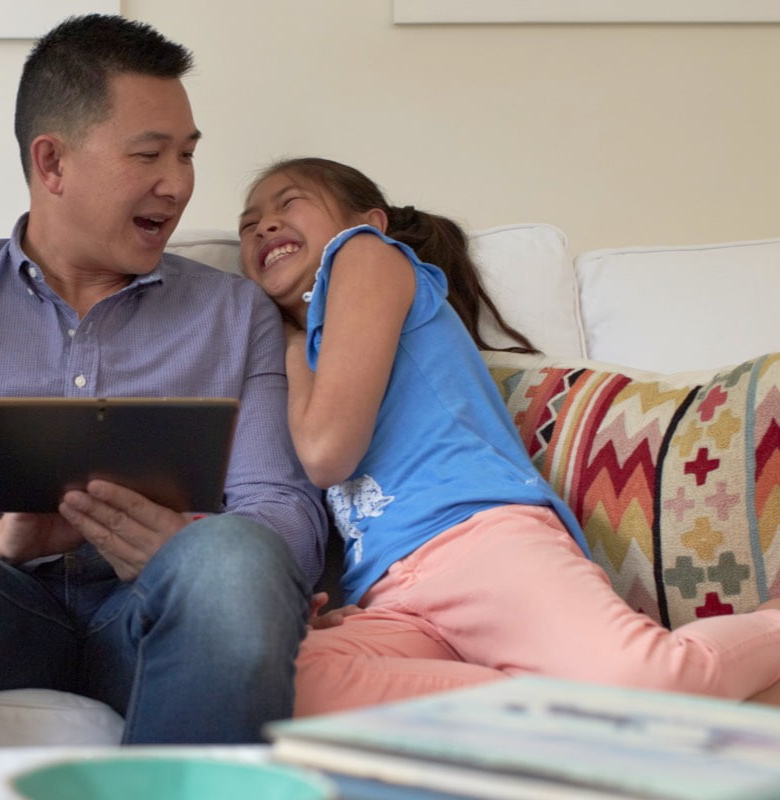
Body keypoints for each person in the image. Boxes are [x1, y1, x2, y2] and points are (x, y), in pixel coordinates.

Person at [0, 15, 328, 800]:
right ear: (51, 162)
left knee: (235, 560)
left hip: (153, 614)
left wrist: (183, 544)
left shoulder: (235, 313)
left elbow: (285, 509)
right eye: (149, 154)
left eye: (187, 156)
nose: (180, 184)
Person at [237, 156, 780, 716]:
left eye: (288, 202)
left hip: (481, 544)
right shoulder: (308, 347)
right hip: (388, 597)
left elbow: (328, 453)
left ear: (369, 220)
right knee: (271, 681)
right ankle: (595, 716)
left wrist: (281, 340)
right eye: (248, 223)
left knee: (639, 677)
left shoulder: (364, 255)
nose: (263, 226)